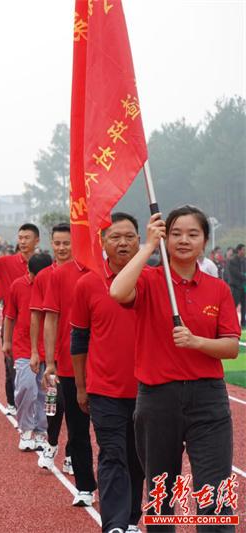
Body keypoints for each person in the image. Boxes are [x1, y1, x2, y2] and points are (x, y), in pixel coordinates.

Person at [110, 206, 241, 529]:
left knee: (214, 492)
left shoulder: (218, 289)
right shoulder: (151, 280)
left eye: (193, 234)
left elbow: (229, 347)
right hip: (158, 399)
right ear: (165, 237)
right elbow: (117, 291)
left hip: (208, 400)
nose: (184, 240)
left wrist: (197, 342)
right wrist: (148, 247)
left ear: (205, 241)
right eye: (176, 233)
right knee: (161, 489)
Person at [71, 212, 144, 533]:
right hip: (105, 390)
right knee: (112, 455)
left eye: (129, 236)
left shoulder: (152, 280)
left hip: (148, 388)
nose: (123, 243)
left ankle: (130, 519)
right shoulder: (88, 282)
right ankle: (113, 525)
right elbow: (79, 339)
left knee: (138, 458)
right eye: (115, 237)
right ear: (102, 242)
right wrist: (81, 386)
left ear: (140, 240)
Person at [41, 247, 98, 506]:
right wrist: (50, 361)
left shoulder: (118, 274)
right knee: (77, 431)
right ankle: (85, 486)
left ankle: (120, 490)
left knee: (118, 434)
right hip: (70, 365)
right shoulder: (61, 274)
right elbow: (50, 319)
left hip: (111, 367)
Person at [0, 223, 40, 416]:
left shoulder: (44, 263)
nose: (23, 241)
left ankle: (37, 405)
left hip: (41, 324)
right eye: (20, 238)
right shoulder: (6, 263)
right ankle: (15, 403)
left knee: (42, 366)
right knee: (13, 367)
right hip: (14, 325)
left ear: (37, 241)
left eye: (27, 238)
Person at [28, 223, 72, 470]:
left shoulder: (85, 273)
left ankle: (72, 453)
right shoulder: (45, 276)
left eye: (67, 243)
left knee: (78, 408)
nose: (62, 247)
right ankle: (52, 442)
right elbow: (37, 316)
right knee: (54, 403)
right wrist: (35, 351)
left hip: (79, 354)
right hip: (52, 355)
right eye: (58, 243)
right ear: (51, 244)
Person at [2, 253, 52, 451]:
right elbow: (9, 315)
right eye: (33, 277)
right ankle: (26, 429)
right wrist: (6, 341)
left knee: (44, 392)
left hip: (48, 348)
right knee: (26, 387)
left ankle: (41, 431)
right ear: (28, 272)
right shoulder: (18, 286)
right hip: (23, 346)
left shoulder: (53, 285)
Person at [226, 244, 245, 323]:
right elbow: (236, 273)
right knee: (233, 306)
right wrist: (244, 275)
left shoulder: (244, 260)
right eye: (243, 250)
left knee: (244, 306)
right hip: (235, 287)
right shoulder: (232, 260)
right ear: (239, 250)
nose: (245, 251)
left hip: (243, 287)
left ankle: (243, 323)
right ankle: (230, 322)